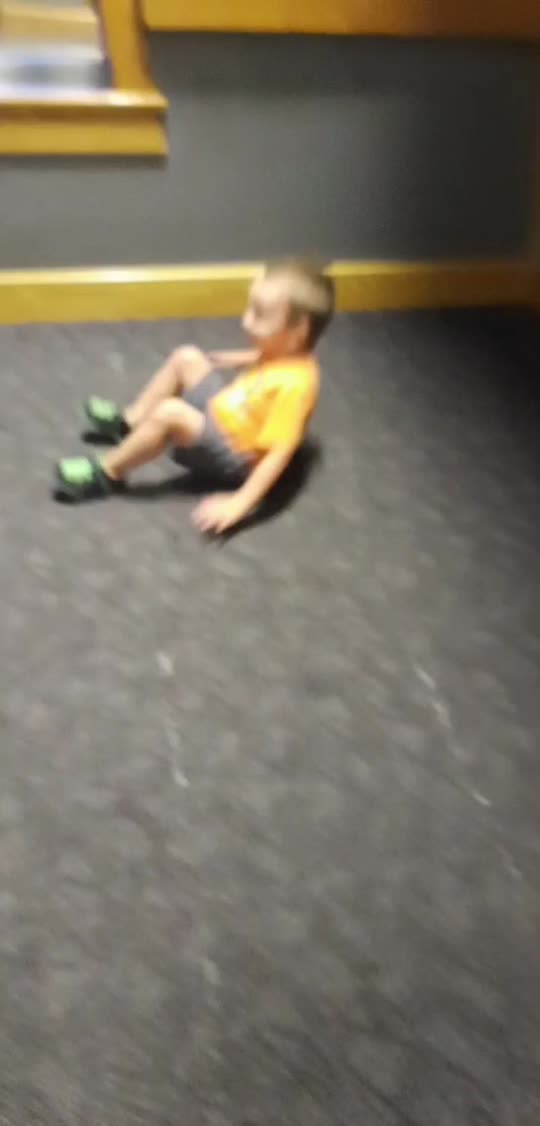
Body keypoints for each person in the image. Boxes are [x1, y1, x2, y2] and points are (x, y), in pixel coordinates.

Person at [54, 258, 335, 534]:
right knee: (186, 357)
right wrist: (243, 358)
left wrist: (239, 503)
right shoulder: (286, 353)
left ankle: (108, 472)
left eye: (259, 315)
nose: (245, 321)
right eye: (250, 309)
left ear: (298, 331)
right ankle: (130, 422)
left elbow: (277, 454)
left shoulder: (295, 388)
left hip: (236, 453)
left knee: (170, 413)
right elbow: (269, 361)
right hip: (228, 413)